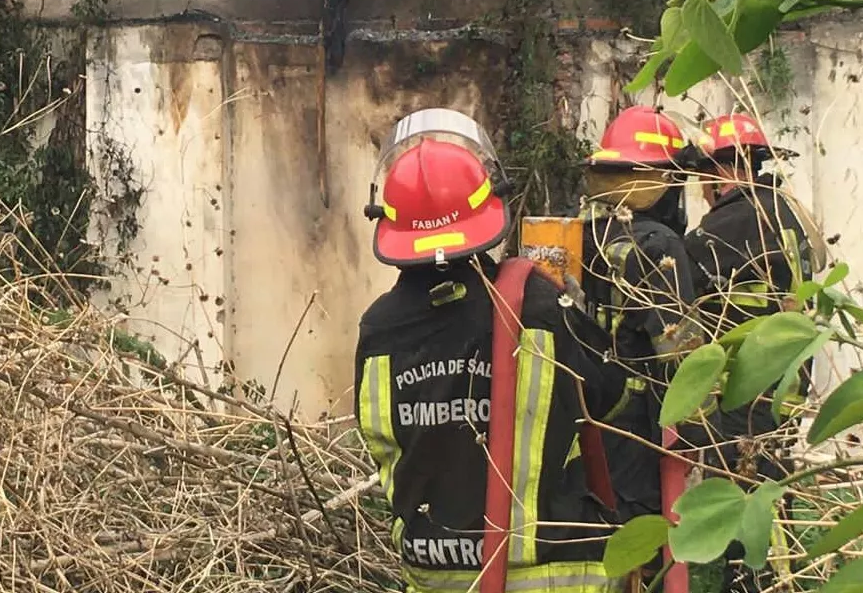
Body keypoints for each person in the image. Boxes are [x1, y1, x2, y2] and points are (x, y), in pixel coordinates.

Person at [354, 108, 629, 593]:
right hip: (554, 572)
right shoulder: (536, 304)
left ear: (389, 224)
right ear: (489, 209)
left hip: (433, 570)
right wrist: (575, 311)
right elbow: (610, 396)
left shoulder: (379, 330)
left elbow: (383, 445)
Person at [684, 111, 826, 593]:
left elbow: (680, 278)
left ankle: (753, 580)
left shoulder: (727, 225)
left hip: (749, 386)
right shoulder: (787, 211)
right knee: (772, 479)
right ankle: (774, 572)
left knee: (745, 490)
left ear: (721, 170)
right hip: (788, 377)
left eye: (704, 175)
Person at [576, 106, 714, 533]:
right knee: (641, 539)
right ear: (665, 183)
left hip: (580, 415)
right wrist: (711, 429)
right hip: (635, 424)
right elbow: (681, 351)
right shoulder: (659, 244)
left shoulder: (579, 233)